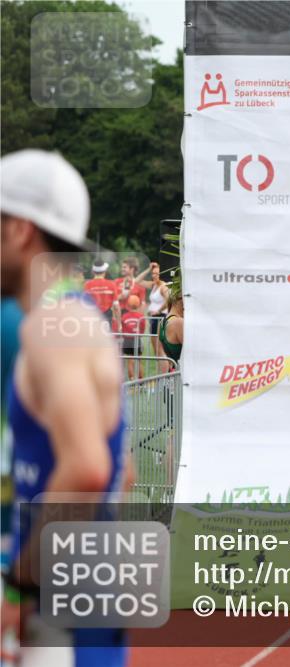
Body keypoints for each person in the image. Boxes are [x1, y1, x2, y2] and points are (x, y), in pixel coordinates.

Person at [0, 149, 130, 666]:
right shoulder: (77, 320)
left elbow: (88, 467)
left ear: (20, 231)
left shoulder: (53, 329)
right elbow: (121, 472)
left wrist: (18, 589)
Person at [141, 262, 169, 372]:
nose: (154, 276)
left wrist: (158, 311)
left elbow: (169, 300)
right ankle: (160, 377)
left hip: (160, 317)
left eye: (156, 274)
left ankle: (165, 377)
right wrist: (148, 269)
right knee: (156, 350)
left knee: (160, 350)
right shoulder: (154, 285)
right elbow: (137, 281)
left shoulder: (163, 287)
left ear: (161, 274)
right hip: (154, 319)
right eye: (153, 274)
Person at [83, 261, 119, 327]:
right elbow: (116, 307)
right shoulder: (112, 284)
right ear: (105, 271)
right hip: (106, 317)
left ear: (93, 272)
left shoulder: (87, 285)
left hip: (92, 316)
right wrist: (119, 325)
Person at [120, 294, 146, 381]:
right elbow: (142, 329)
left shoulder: (124, 316)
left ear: (128, 304)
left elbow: (122, 328)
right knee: (138, 361)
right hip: (137, 339)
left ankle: (131, 380)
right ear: (138, 304)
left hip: (127, 340)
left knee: (130, 361)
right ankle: (141, 381)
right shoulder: (141, 316)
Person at [159, 285, 184, 367]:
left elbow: (161, 353)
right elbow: (191, 351)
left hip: (172, 372)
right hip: (181, 375)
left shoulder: (163, 321)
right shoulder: (178, 322)